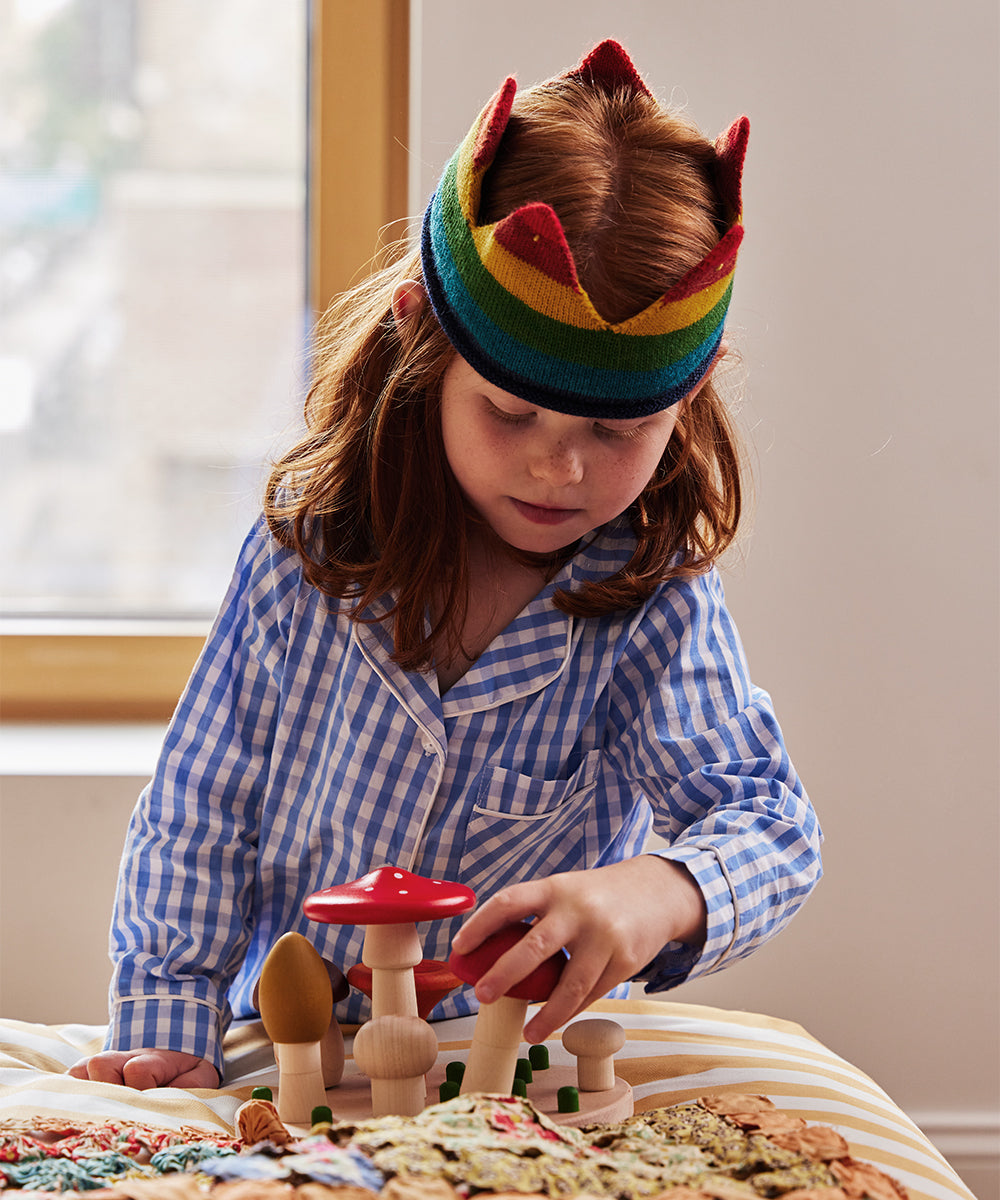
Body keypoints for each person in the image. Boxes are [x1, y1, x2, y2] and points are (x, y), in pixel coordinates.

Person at [71, 39, 821, 1092]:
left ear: (685, 407)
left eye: (619, 431)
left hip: (504, 1076)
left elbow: (771, 825)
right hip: (291, 1061)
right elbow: (201, 807)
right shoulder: (308, 552)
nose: (559, 466)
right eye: (509, 411)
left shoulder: (653, 603)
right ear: (422, 346)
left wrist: (658, 889)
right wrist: (170, 1025)